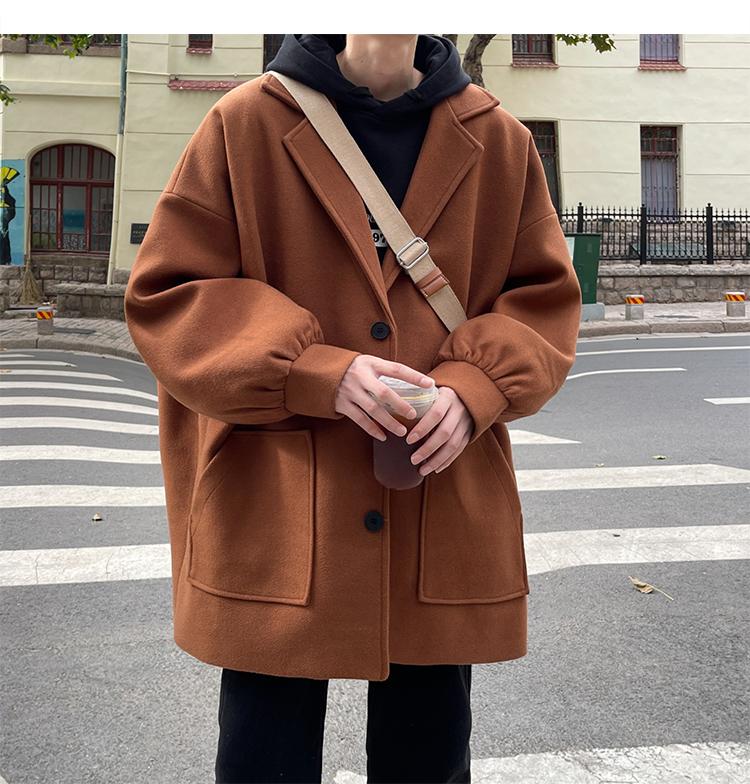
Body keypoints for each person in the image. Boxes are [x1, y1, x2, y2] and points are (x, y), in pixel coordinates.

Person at [124, 33, 582, 784]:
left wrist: (473, 390)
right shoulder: (246, 123)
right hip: (278, 502)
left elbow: (544, 297)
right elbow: (171, 294)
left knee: (428, 751)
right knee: (265, 752)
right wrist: (314, 371)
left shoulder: (499, 139)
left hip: (433, 484)